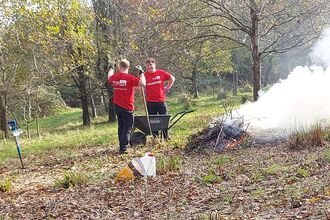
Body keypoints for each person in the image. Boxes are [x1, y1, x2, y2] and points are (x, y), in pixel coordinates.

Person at [108, 59, 146, 154]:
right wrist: (141, 72)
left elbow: (109, 77)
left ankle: (121, 145)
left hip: (117, 106)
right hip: (127, 107)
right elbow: (143, 83)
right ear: (128, 67)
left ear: (119, 67)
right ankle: (123, 148)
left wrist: (111, 68)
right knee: (127, 128)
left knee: (121, 126)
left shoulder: (115, 77)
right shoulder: (130, 78)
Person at [144, 57, 175, 139]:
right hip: (150, 101)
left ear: (154, 64)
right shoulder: (144, 75)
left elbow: (172, 78)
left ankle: (166, 136)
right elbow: (138, 84)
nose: (149, 67)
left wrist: (167, 87)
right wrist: (143, 91)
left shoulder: (160, 72)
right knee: (153, 120)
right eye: (147, 65)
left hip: (161, 100)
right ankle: (155, 137)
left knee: (164, 119)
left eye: (150, 65)